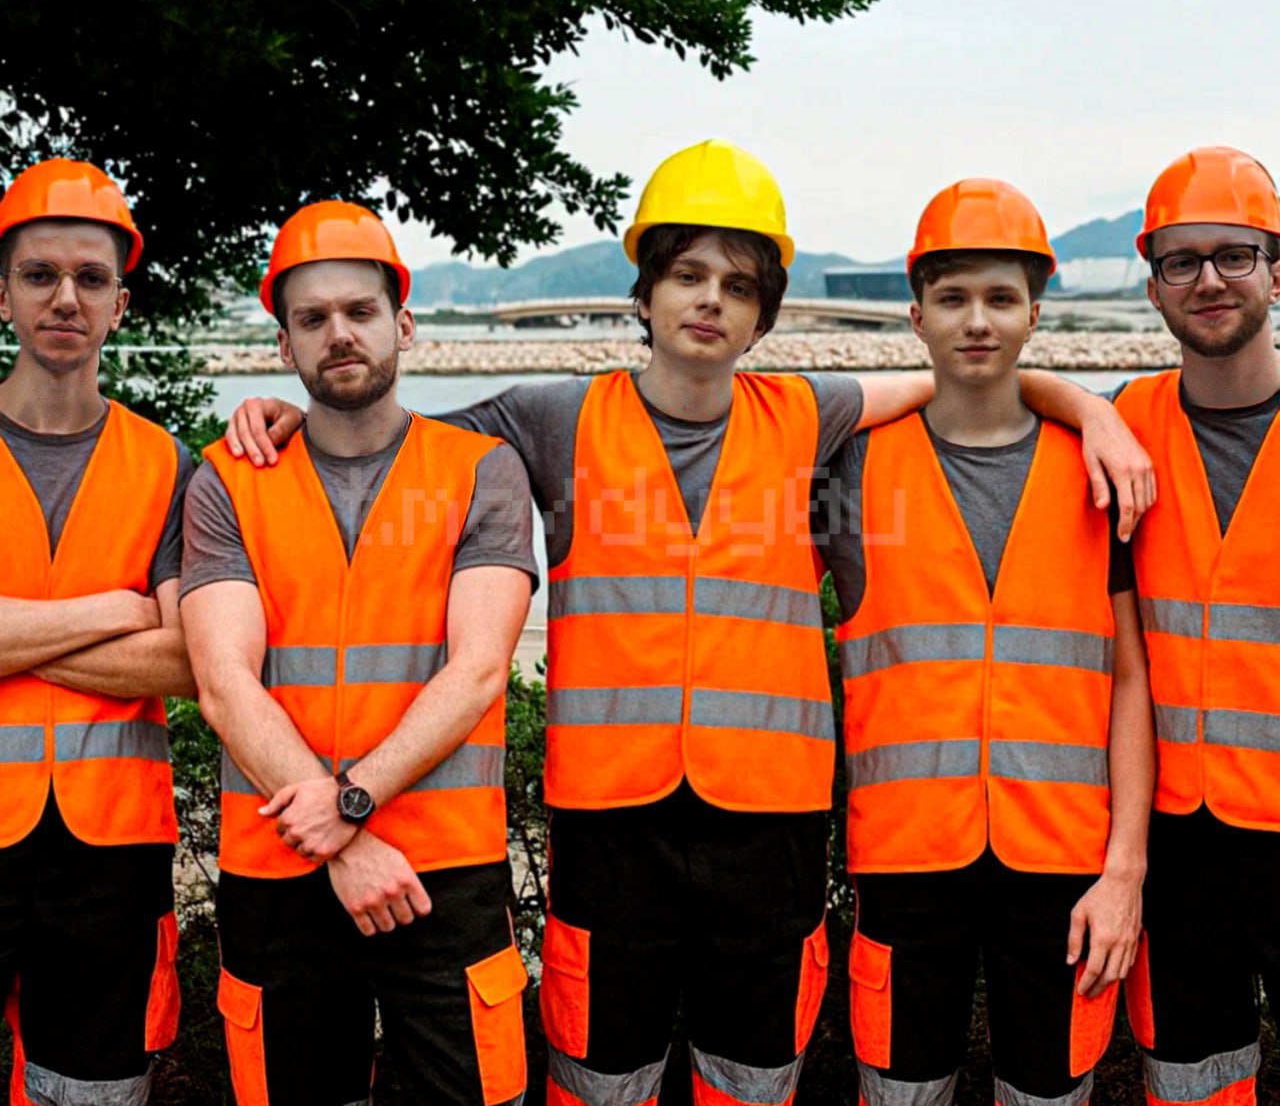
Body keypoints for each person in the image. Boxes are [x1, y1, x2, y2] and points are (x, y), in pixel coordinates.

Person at [224, 142, 1154, 1105]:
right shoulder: (553, 420)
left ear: (763, 316)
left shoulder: (810, 413)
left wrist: (1089, 409)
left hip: (771, 828)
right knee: (598, 1077)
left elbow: (962, 381)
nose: (710, 301)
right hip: (610, 828)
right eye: (687, 276)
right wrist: (285, 416)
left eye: (738, 286)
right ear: (647, 293)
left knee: (753, 1078)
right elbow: (389, 438)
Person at [179, 202, 538, 1106]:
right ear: (284, 345)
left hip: (444, 869)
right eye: (312, 318)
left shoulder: (481, 469)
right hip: (279, 873)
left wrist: (351, 804)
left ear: (402, 325)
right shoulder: (228, 482)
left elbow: (478, 670)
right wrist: (343, 840)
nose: (339, 333)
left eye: (360, 311)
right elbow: (224, 682)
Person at [830, 178, 1154, 1106]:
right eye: (953, 298)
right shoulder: (850, 470)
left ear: (1035, 314)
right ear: (916, 316)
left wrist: (1124, 869)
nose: (978, 321)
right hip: (902, 864)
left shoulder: (1099, 469)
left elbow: (1130, 680)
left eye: (1002, 298)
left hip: (1063, 866)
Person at [0, 159, 193, 1105]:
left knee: (95, 1093)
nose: (65, 298)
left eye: (91, 278)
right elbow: (152, 636)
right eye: (39, 275)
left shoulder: (168, 463)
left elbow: (188, 657)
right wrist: (117, 609)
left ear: (121, 303)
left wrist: (19, 637)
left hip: (112, 853)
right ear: (2, 295)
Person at [1113, 145, 1280, 1106]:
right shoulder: (1124, 425)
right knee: (1191, 1080)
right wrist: (1080, 407)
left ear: (1275, 273)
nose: (1209, 279)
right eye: (1182, 261)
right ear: (1154, 289)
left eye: (1235, 254)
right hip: (1175, 845)